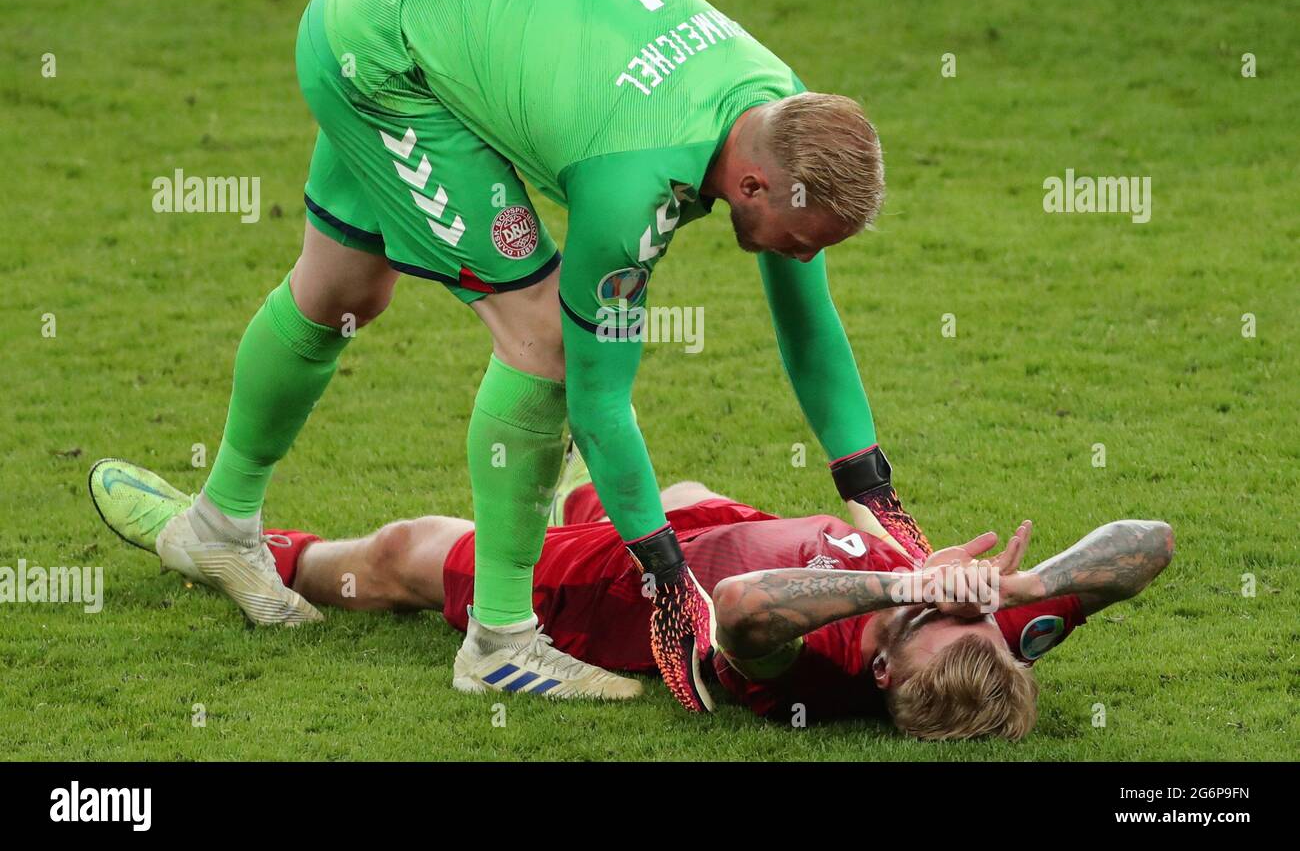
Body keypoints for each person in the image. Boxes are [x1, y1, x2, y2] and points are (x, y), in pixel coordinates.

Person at [98, 0, 912, 711]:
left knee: (342, 291)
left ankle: (219, 524)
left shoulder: (782, 111)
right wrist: (670, 579)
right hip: (386, 58)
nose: (803, 257)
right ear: (755, 188)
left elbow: (807, 324)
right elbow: (597, 402)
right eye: (802, 241)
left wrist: (874, 497)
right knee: (546, 344)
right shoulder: (632, 186)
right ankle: (499, 644)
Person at [88, 450, 1174, 737]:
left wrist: (901, 577)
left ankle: (245, 552)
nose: (955, 605)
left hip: (619, 597)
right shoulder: (990, 638)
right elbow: (1147, 541)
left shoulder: (798, 668)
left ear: (883, 668)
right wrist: (1021, 586)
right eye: (975, 613)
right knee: (674, 486)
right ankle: (588, 491)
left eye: (933, 621)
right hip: (701, 523)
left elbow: (745, 603)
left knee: (417, 552)